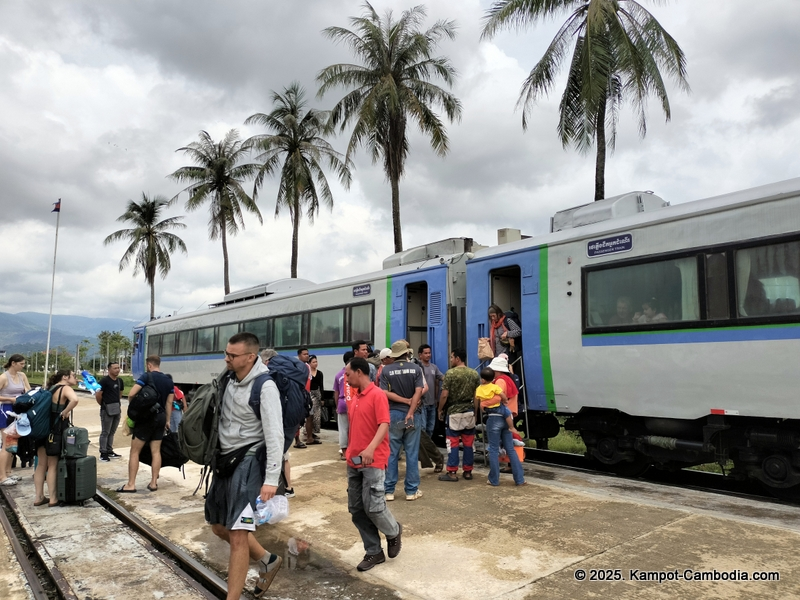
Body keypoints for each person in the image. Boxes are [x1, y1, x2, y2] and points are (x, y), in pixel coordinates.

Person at [208, 333, 284, 599]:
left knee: (238, 535)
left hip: (249, 462)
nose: (226, 359)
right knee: (218, 526)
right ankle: (267, 559)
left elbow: (275, 434)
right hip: (224, 460)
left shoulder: (265, 387)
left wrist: (271, 479)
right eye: (226, 353)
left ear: (250, 357)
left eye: (232, 355)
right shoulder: (227, 379)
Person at [345, 357, 402, 571]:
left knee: (374, 507)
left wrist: (370, 448)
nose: (346, 378)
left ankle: (393, 530)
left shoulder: (377, 394)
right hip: (354, 460)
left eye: (348, 374)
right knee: (356, 509)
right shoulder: (356, 397)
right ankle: (374, 551)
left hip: (374, 459)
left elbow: (384, 424)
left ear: (359, 372)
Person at [117, 355, 174, 493]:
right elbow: (169, 403)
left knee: (135, 451)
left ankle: (131, 484)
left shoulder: (146, 377)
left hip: (146, 418)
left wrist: (135, 407)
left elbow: (131, 394)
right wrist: (167, 420)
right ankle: (154, 483)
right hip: (160, 417)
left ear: (149, 365)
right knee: (156, 451)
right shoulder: (168, 381)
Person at [380, 340, 424, 501]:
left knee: (391, 453)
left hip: (393, 414)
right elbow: (419, 391)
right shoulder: (416, 368)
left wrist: (404, 402)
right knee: (412, 453)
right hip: (413, 415)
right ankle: (411, 491)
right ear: (407, 353)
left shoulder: (386, 370)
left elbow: (384, 392)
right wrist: (411, 409)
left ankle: (389, 491)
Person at [33, 369, 79, 506]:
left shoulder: (50, 389)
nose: (75, 378)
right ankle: (53, 498)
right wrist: (65, 411)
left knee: (41, 464)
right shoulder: (65, 388)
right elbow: (75, 400)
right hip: (55, 431)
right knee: (52, 465)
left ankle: (39, 497)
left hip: (42, 430)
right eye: (73, 376)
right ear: (65, 377)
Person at [436, 349, 480, 482]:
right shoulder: (474, 374)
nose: (450, 359)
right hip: (469, 411)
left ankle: (452, 472)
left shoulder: (450, 374)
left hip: (454, 412)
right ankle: (467, 471)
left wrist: (440, 409)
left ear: (457, 358)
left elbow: (444, 395)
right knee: (468, 443)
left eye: (451, 357)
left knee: (453, 443)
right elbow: (476, 396)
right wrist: (475, 412)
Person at [478, 367, 526, 487]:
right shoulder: (504, 381)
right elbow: (502, 397)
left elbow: (480, 401)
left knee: (493, 450)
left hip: (493, 418)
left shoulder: (482, 388)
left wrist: (482, 405)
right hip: (505, 417)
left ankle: (494, 480)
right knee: (510, 449)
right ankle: (520, 479)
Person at [260, 348, 295, 498]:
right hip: (287, 424)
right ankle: (288, 487)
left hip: (276, 423)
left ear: (267, 361)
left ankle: (282, 490)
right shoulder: (287, 375)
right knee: (284, 457)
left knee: (276, 456)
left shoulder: (270, 377)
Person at [0, 354, 30, 486]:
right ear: (13, 363)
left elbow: (28, 390)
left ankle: (8, 472)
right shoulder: (3, 378)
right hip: (6, 410)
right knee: (7, 443)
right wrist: (12, 399)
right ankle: (2, 476)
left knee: (13, 442)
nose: (23, 366)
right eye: (21, 364)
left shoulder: (22, 376)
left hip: (18, 410)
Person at [96, 361, 124, 463]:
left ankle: (109, 450)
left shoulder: (120, 381)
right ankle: (103, 453)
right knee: (105, 432)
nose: (117, 370)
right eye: (115, 368)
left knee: (112, 432)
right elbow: (98, 395)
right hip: (106, 410)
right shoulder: (104, 381)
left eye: (118, 368)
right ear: (109, 369)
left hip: (116, 409)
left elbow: (120, 394)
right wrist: (104, 405)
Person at [475, 368, 516, 433]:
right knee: (508, 413)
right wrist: (505, 400)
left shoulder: (478, 388)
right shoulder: (494, 387)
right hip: (496, 407)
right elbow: (501, 394)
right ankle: (511, 427)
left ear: (483, 380)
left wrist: (482, 407)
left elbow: (477, 398)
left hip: (487, 408)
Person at [417, 344, 444, 439]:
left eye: (429, 353)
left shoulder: (434, 367)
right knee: (423, 427)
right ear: (420, 355)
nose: (428, 355)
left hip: (432, 403)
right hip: (422, 403)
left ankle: (428, 449)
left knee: (430, 428)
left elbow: (442, 377)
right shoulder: (417, 367)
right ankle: (422, 449)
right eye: (426, 353)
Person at [332, 351, 355, 460]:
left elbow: (336, 393)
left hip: (342, 403)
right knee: (353, 429)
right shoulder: (354, 373)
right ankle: (353, 451)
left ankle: (345, 452)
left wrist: (337, 406)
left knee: (343, 429)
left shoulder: (338, 375)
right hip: (353, 404)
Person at [307, 355, 323, 444]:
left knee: (317, 415)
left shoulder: (319, 373)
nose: (315, 363)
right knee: (309, 415)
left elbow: (321, 385)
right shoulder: (307, 373)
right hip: (309, 394)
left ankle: (313, 432)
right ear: (309, 363)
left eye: (316, 362)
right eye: (313, 362)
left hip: (317, 394)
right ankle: (309, 433)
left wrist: (322, 398)